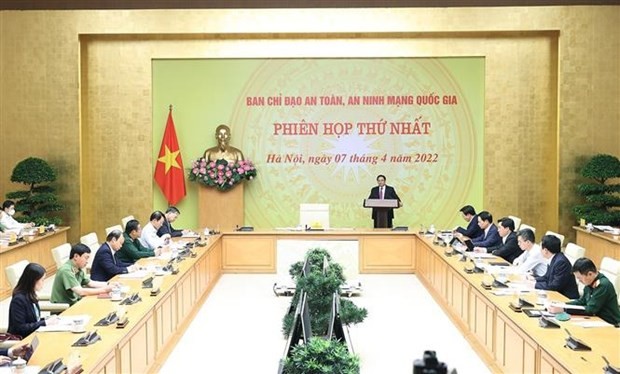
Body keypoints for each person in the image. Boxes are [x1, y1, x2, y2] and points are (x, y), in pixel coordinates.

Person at [547, 257, 620, 325]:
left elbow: (590, 310)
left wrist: (564, 309)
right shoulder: (590, 282)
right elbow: (582, 301)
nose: (579, 281)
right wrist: (562, 304)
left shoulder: (603, 285)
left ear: (590, 274)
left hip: (610, 323)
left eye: (580, 278)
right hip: (596, 319)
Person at [8, 263, 59, 338]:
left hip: (35, 335)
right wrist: (45, 323)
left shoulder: (31, 294)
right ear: (33, 281)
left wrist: (47, 319)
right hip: (24, 340)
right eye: (42, 280)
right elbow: (20, 328)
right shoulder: (18, 300)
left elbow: (34, 320)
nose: (43, 283)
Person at [533, 235, 579, 299]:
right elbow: (547, 277)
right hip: (556, 295)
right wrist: (533, 280)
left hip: (565, 298)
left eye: (541, 248)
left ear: (546, 250)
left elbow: (554, 286)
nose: (540, 250)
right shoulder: (554, 258)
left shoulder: (561, 263)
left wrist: (534, 285)